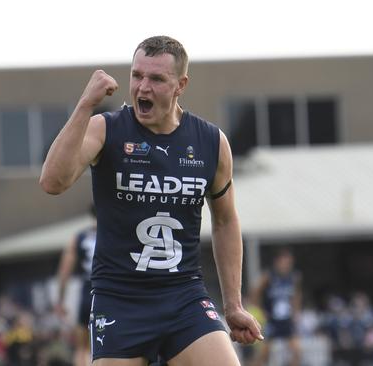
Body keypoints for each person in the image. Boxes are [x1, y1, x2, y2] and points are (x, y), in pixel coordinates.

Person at [40, 35, 262, 366]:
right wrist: (85, 104)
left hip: (183, 296)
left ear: (180, 85)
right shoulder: (106, 129)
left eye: (156, 79)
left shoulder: (211, 142)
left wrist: (233, 305)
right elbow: (52, 182)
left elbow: (226, 220)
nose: (143, 87)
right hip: (119, 299)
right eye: (137, 76)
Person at [55, 205, 97, 366]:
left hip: (88, 291)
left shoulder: (79, 237)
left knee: (82, 348)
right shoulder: (116, 232)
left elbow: (64, 272)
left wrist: (60, 300)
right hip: (110, 292)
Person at [250, 249, 302, 366]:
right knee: (264, 353)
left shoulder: (293, 277)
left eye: (289, 263)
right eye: (284, 262)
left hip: (287, 319)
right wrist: (260, 310)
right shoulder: (269, 276)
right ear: (277, 262)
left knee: (297, 351)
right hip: (272, 320)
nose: (286, 265)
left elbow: (297, 296)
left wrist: (296, 312)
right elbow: (254, 292)